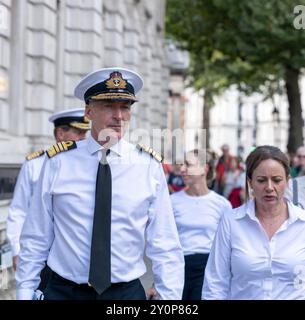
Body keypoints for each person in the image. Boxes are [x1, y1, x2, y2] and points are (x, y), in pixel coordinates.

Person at [16, 67, 184, 300]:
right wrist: (25, 291)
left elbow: (165, 243)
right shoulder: (58, 162)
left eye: (125, 107)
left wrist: (169, 299)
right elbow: (37, 235)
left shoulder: (148, 166)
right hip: (65, 291)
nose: (119, 116)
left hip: (125, 294)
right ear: (88, 111)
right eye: (109, 106)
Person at [202, 145, 305, 300]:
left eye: (277, 180)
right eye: (261, 180)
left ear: (287, 181)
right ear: (250, 183)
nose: (269, 188)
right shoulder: (231, 221)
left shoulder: (302, 223)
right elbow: (215, 283)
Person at [6, 108, 90, 272]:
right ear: (60, 134)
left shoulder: (89, 165)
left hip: (75, 256)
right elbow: (19, 210)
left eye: (84, 133)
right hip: (40, 253)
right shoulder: (35, 164)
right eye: (78, 132)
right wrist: (17, 250)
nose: (83, 138)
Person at [172, 149, 231, 300]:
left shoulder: (222, 204)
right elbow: (165, 241)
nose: (182, 169)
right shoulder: (172, 201)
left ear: (204, 168)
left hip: (208, 268)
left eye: (188, 164)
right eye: (182, 164)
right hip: (178, 267)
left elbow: (228, 245)